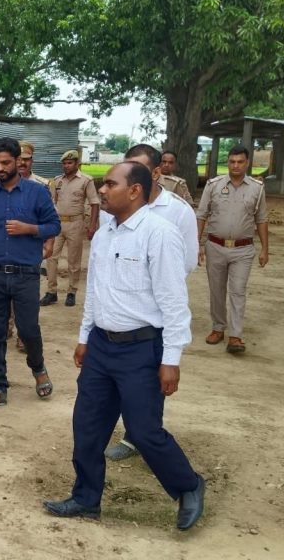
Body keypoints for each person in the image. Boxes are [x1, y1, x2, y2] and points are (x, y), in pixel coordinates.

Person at [43, 161, 204, 531]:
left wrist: (171, 359)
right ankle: (86, 498)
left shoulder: (158, 233)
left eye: (110, 184)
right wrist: (85, 338)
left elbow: (174, 302)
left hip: (141, 349)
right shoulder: (104, 233)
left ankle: (189, 486)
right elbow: (95, 292)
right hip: (101, 346)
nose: (101, 190)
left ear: (134, 190)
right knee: (87, 425)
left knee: (144, 431)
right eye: (102, 184)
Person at [102, 146, 199, 462]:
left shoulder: (177, 211)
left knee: (150, 388)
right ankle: (136, 436)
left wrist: (148, 286)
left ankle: (143, 439)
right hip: (119, 313)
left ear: (155, 173)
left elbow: (184, 263)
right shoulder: (113, 209)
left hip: (154, 314)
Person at [0, 137, 60, 411]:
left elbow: (54, 225)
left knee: (28, 330)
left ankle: (38, 368)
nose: (1, 168)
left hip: (26, 274)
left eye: (6, 162)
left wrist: (29, 229)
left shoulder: (37, 192)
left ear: (19, 161)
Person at [196, 145, 269, 354]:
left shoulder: (257, 188)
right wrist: (197, 244)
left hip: (243, 250)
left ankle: (235, 336)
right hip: (215, 246)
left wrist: (265, 249)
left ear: (247, 163)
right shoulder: (214, 185)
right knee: (217, 290)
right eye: (231, 161)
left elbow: (262, 219)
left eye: (240, 162)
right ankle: (218, 328)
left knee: (238, 291)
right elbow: (201, 215)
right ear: (227, 162)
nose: (235, 165)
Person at [10, 140, 54, 352]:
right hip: (7, 247)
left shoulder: (42, 185)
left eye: (27, 160)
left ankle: (23, 335)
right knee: (4, 292)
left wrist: (49, 242)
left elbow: (50, 218)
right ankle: (6, 328)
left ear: (31, 161)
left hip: (30, 248)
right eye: (20, 159)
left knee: (26, 296)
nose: (23, 164)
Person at [41, 150, 99, 307]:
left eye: (70, 163)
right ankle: (51, 291)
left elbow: (94, 203)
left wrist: (92, 225)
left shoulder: (86, 180)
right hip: (57, 223)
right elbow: (52, 203)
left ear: (77, 163)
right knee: (51, 257)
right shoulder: (58, 181)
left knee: (74, 260)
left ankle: (72, 292)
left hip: (76, 223)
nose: (66, 166)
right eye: (64, 163)